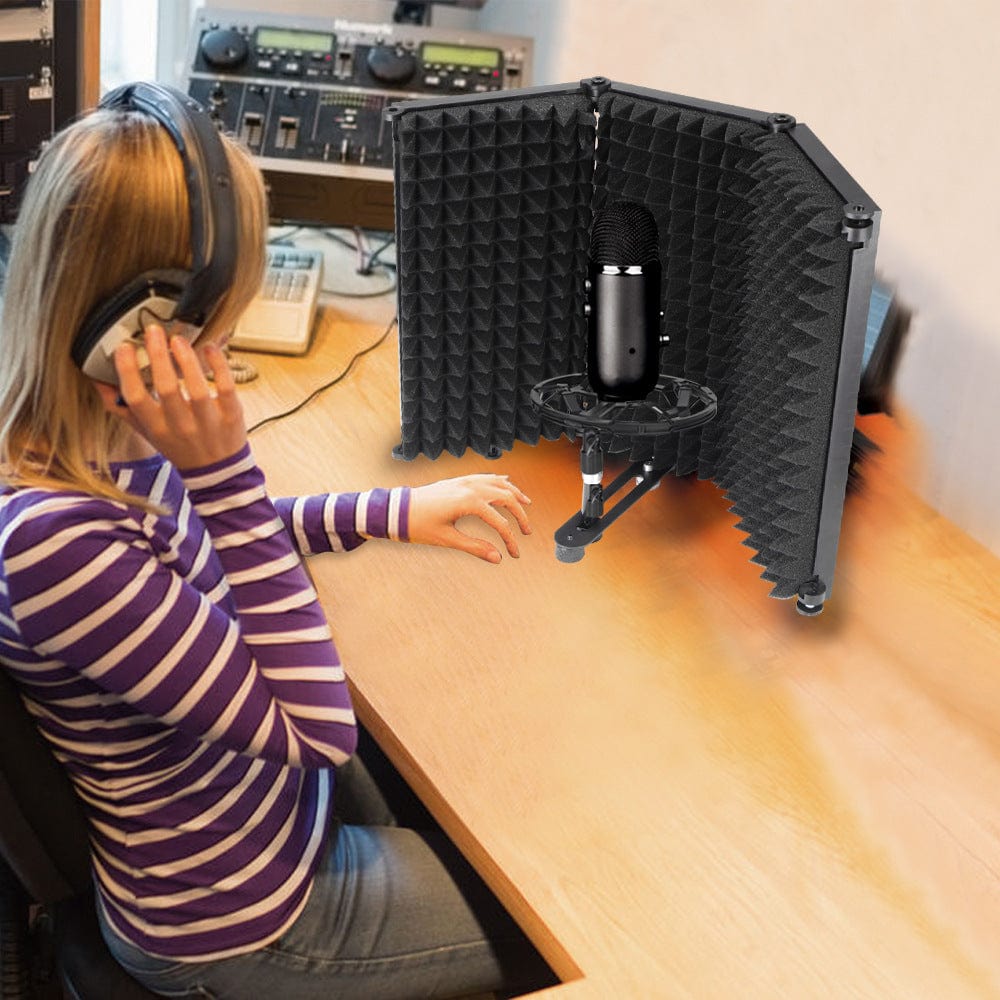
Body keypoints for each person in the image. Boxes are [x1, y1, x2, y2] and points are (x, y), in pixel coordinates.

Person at [0, 92, 555, 998]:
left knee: (522, 806)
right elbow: (318, 730)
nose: (227, 338)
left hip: (278, 819)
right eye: (221, 317)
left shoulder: (97, 440)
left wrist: (387, 512)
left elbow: (207, 545)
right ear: (139, 328)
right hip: (243, 919)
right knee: (559, 917)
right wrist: (220, 468)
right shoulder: (54, 547)